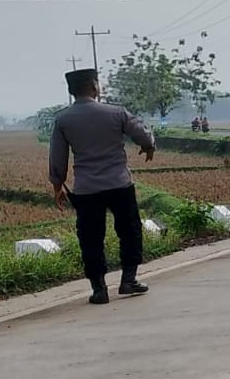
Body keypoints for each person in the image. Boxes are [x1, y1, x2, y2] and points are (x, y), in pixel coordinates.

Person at [48, 68, 156, 305]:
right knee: (129, 231)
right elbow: (143, 135)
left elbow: (58, 157)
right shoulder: (116, 113)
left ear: (71, 90)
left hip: (86, 189)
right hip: (119, 183)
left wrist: (57, 185)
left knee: (90, 238)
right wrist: (149, 146)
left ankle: (99, 289)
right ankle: (128, 280)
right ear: (94, 87)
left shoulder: (63, 120)